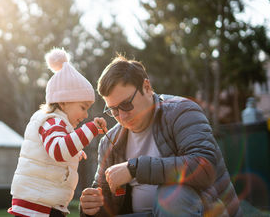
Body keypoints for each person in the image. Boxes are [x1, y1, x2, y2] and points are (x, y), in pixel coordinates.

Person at [79, 55, 242, 217]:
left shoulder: (182, 111)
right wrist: (91, 207)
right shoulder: (110, 141)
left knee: (172, 197)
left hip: (205, 210)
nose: (122, 116)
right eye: (113, 110)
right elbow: (105, 199)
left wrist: (134, 169)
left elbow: (205, 166)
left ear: (147, 87)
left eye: (126, 104)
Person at [8, 48, 107, 217]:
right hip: (37, 206)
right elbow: (59, 151)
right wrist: (89, 129)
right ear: (63, 102)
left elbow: (57, 150)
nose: (85, 115)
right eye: (83, 108)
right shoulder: (51, 121)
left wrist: (75, 151)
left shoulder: (57, 125)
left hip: (43, 204)